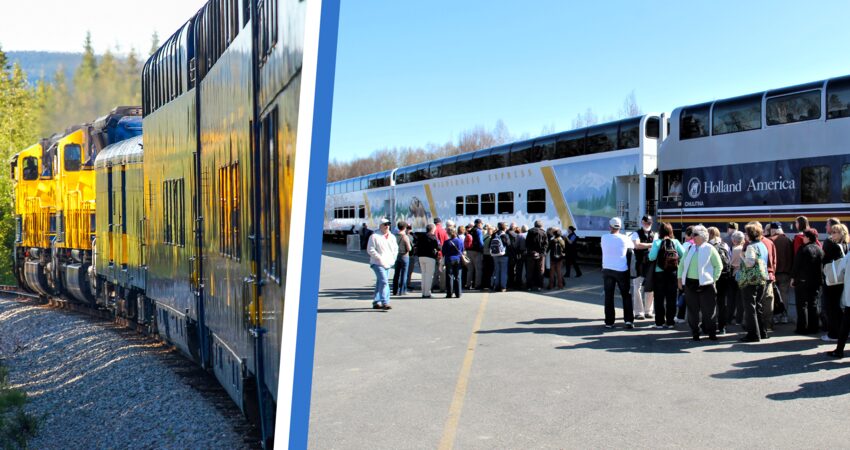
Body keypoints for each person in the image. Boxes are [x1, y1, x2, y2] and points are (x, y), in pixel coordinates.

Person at [677, 225, 723, 341]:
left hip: (706, 284)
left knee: (709, 311)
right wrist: (679, 279)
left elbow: (719, 266)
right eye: (692, 234)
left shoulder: (709, 248)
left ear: (702, 236)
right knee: (692, 311)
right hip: (690, 283)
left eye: (695, 234)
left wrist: (713, 280)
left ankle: (711, 332)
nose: (692, 236)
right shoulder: (689, 248)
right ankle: (695, 333)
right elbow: (681, 265)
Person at [647, 222, 686, 328]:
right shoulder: (676, 242)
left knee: (659, 298)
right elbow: (684, 255)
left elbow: (651, 257)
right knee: (671, 298)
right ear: (671, 231)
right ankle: (670, 322)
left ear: (660, 231)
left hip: (659, 273)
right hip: (673, 273)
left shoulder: (657, 242)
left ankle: (659, 322)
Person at [601, 217, 635, 329]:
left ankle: (609, 322)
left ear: (610, 227)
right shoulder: (625, 238)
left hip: (607, 269)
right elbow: (632, 249)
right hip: (621, 270)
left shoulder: (604, 238)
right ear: (620, 227)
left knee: (609, 296)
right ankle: (628, 320)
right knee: (626, 295)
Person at [739, 222, 770, 342]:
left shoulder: (751, 246)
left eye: (746, 233)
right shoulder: (762, 245)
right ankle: (762, 332)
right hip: (762, 278)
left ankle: (753, 334)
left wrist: (742, 255)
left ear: (750, 234)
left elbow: (749, 263)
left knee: (750, 307)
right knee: (758, 306)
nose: (745, 235)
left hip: (751, 280)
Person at [791, 228, 825, 334]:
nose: (803, 238)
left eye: (804, 236)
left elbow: (796, 265)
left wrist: (793, 278)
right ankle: (814, 327)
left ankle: (802, 328)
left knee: (802, 305)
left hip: (802, 281)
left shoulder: (803, 249)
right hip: (816, 281)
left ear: (808, 238)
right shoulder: (820, 249)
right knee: (813, 304)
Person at [822, 220, 848, 342]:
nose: (832, 235)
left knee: (831, 307)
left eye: (834, 232)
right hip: (842, 280)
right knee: (840, 307)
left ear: (841, 233)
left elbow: (825, 259)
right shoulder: (846, 245)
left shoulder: (834, 246)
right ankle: (843, 331)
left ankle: (834, 334)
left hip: (834, 281)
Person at [367, 218, 399, 310]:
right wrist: (379, 258)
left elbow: (395, 249)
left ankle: (376, 302)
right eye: (385, 224)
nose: (387, 226)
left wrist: (393, 259)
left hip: (388, 263)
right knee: (384, 281)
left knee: (380, 282)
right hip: (377, 263)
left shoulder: (392, 237)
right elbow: (370, 249)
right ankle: (385, 302)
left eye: (388, 224)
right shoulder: (374, 236)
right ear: (380, 225)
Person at [767, 221, 793, 325]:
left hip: (774, 272)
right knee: (784, 294)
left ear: (772, 230)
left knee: (773, 295)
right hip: (785, 272)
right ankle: (785, 316)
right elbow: (791, 256)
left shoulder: (769, 240)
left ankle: (775, 316)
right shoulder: (787, 240)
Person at [707, 226, 731, 334]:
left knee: (710, 302)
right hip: (725, 277)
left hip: (712, 277)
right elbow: (729, 260)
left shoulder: (708, 246)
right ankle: (722, 327)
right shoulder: (725, 245)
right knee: (722, 303)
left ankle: (710, 325)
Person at [632, 216, 656, 320]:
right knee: (637, 288)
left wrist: (644, 245)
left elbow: (641, 245)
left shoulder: (655, 234)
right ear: (642, 222)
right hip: (639, 264)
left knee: (650, 288)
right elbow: (637, 245)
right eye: (646, 223)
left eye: (649, 223)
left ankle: (648, 311)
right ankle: (638, 312)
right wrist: (651, 244)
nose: (647, 225)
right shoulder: (636, 233)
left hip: (650, 264)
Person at [416, 224, 440, 298]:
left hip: (421, 257)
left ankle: (423, 292)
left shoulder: (421, 236)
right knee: (429, 275)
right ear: (432, 229)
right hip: (430, 257)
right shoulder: (433, 237)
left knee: (423, 275)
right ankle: (427, 293)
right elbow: (438, 247)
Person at [727, 231, 746, 327]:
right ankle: (739, 319)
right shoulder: (744, 249)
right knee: (740, 299)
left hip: (733, 275)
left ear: (734, 240)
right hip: (742, 275)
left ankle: (729, 318)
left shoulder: (732, 249)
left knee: (731, 299)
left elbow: (729, 263)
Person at [526, 220, 549, 291]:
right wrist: (541, 253)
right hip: (541, 255)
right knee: (540, 270)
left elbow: (527, 243)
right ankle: (540, 286)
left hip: (531, 254)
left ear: (534, 225)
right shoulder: (543, 232)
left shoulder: (530, 232)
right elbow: (546, 244)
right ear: (541, 226)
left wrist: (532, 252)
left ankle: (529, 286)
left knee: (530, 270)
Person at [442, 227, 464, 298]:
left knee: (449, 276)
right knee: (458, 276)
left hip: (449, 259)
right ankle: (458, 293)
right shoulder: (460, 241)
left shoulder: (446, 242)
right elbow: (462, 250)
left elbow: (444, 252)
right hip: (457, 259)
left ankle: (449, 293)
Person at [392, 221, 412, 296]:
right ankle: (402, 290)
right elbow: (409, 248)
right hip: (404, 256)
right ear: (405, 228)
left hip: (396, 255)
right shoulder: (405, 237)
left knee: (396, 273)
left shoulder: (394, 236)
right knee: (404, 274)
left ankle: (394, 290)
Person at [490, 222, 511, 292]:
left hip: (495, 255)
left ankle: (496, 286)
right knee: (503, 271)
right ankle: (503, 287)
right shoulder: (505, 235)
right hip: (504, 255)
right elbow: (508, 244)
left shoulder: (494, 234)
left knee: (497, 271)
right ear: (505, 228)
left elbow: (490, 244)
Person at [433, 218, 449, 292]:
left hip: (434, 253)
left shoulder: (433, 230)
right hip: (442, 252)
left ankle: (434, 284)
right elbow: (446, 242)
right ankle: (442, 286)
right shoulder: (443, 231)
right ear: (440, 222)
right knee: (441, 270)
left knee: (435, 270)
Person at [514, 225, 528, 289]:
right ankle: (527, 282)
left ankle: (518, 283)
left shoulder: (519, 235)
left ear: (521, 229)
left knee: (519, 268)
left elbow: (515, 245)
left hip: (521, 253)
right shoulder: (529, 235)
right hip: (528, 253)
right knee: (528, 269)